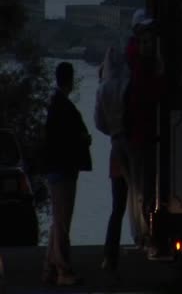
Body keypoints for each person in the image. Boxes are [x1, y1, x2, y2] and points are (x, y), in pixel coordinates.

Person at [41, 62, 92, 286]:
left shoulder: (55, 106)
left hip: (55, 169)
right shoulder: (64, 108)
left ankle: (51, 267)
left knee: (57, 221)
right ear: (70, 80)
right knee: (62, 222)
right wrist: (83, 139)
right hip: (63, 171)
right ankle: (63, 270)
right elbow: (68, 138)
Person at [124, 9, 164, 254]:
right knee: (143, 186)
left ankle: (144, 232)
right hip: (142, 135)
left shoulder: (134, 63)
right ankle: (145, 233)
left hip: (137, 135)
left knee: (139, 187)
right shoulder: (141, 66)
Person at [94, 47, 130, 275]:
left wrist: (113, 131)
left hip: (116, 147)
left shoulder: (103, 90)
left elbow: (99, 122)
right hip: (134, 145)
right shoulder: (128, 86)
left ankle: (110, 255)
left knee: (117, 207)